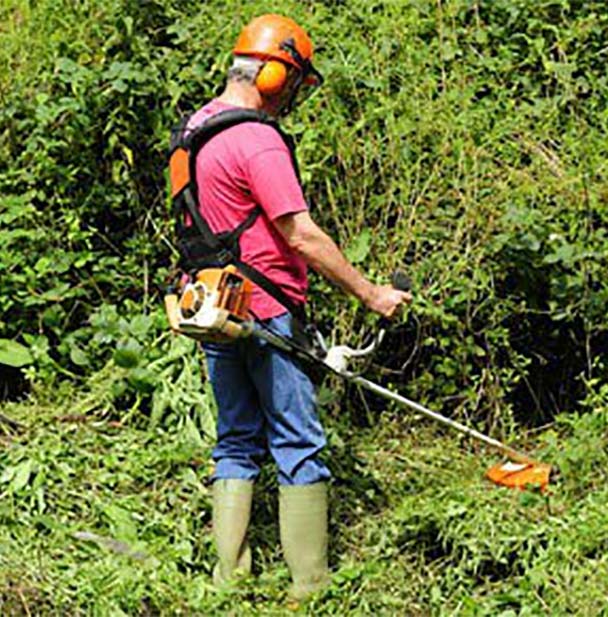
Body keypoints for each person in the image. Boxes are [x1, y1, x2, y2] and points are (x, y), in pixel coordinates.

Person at [184, 14, 411, 599]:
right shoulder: (256, 137)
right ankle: (311, 585)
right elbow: (301, 236)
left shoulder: (197, 128)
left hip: (215, 307)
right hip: (266, 309)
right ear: (273, 72)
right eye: (291, 82)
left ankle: (227, 579)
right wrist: (372, 293)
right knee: (298, 440)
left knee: (236, 437)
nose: (290, 97)